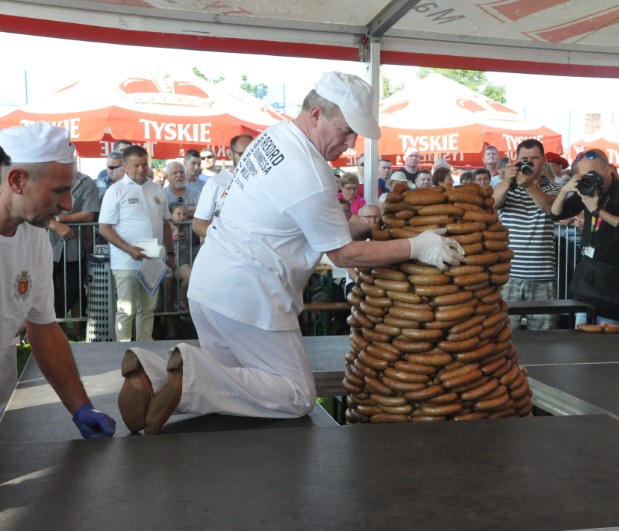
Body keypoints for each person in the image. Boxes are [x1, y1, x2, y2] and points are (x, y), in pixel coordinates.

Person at [116, 71, 464, 435]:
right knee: (296, 396)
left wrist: (358, 226)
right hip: (251, 296)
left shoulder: (274, 137)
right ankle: (187, 378)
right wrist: (417, 245)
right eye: (345, 130)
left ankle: (152, 376)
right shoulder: (312, 173)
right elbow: (344, 255)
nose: (350, 142)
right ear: (316, 115)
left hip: (211, 286)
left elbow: (295, 224)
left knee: (235, 392)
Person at [0, 121, 115, 437]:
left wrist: (81, 407)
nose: (68, 205)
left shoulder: (34, 236)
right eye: (60, 190)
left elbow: (44, 328)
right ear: (17, 180)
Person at [98, 145, 174, 342]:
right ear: (124, 166)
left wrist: (171, 254)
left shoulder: (156, 188)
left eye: (144, 164)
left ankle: (144, 351)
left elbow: (165, 222)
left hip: (153, 260)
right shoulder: (115, 191)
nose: (141, 169)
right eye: (136, 165)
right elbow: (104, 228)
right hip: (126, 262)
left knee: (147, 309)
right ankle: (122, 353)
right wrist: (128, 249)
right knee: (126, 309)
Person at [551, 149, 619, 322]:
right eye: (584, 175)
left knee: (606, 337)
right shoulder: (587, 188)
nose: (590, 178)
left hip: (613, 274)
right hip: (589, 272)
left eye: (594, 173)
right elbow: (556, 214)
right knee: (580, 332)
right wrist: (564, 191)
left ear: (608, 169)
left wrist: (597, 210)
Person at [493, 138, 560, 330]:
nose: (529, 163)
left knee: (543, 337)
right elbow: (490, 204)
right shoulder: (505, 186)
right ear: (515, 160)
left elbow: (550, 208)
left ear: (544, 159)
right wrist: (507, 180)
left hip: (542, 275)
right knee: (503, 333)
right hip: (508, 275)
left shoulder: (554, 187)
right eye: (524, 158)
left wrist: (530, 185)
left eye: (534, 158)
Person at [48, 169, 100, 338]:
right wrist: (55, 225)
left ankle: (52, 328)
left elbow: (88, 216)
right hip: (44, 247)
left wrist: (60, 220)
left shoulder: (86, 182)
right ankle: (51, 331)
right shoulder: (43, 177)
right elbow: (34, 211)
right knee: (45, 291)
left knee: (73, 289)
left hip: (74, 248)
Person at [193, 134, 254, 239]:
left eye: (253, 153)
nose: (249, 158)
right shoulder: (216, 182)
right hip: (225, 251)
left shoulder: (263, 182)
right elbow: (198, 223)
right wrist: (222, 240)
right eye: (243, 154)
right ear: (230, 154)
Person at [166, 202, 193, 314]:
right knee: (168, 295)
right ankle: (169, 324)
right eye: (178, 214)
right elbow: (161, 218)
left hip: (183, 263)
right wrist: (173, 228)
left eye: (184, 214)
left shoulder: (188, 225)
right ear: (171, 215)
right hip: (169, 264)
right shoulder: (166, 225)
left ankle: (181, 300)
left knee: (192, 276)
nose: (182, 217)